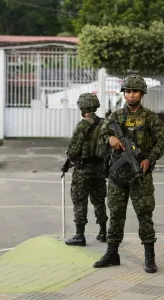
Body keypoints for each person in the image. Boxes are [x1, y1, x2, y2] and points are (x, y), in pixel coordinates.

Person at [93, 74, 164, 273]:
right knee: (116, 214)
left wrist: (149, 159)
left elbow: (161, 141)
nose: (130, 95)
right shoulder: (115, 117)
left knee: (144, 214)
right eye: (127, 91)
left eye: (134, 91)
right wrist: (110, 140)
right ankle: (112, 253)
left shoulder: (150, 118)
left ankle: (149, 256)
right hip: (118, 176)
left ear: (142, 94)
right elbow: (100, 138)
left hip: (140, 175)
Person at [63, 93, 109, 246]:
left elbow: (73, 150)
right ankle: (103, 232)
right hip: (100, 169)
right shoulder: (104, 123)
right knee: (99, 201)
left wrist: (69, 157)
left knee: (80, 201)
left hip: (83, 169)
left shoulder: (82, 125)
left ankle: (79, 235)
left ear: (82, 107)